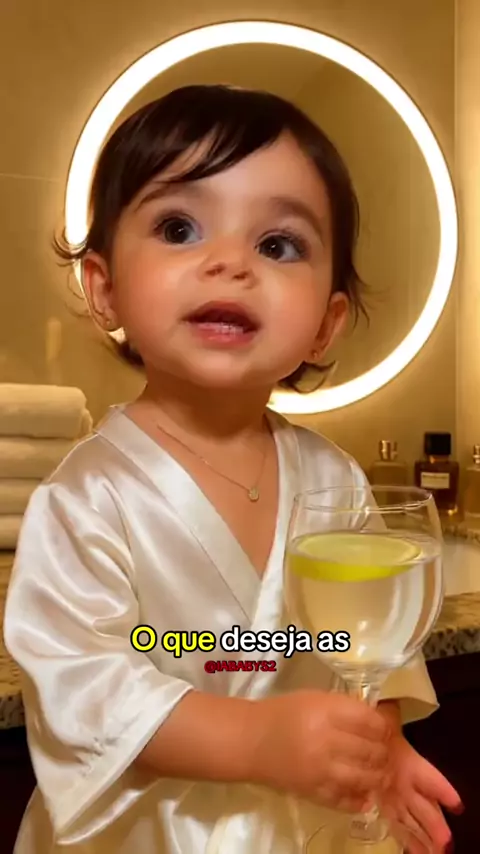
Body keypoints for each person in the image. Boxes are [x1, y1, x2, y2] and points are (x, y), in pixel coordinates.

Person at [4, 85, 462, 854]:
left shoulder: (334, 479)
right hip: (154, 833)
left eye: (278, 245)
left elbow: (372, 641)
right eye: (178, 228)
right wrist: (255, 741)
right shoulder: (87, 499)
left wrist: (379, 744)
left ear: (326, 324)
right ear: (104, 288)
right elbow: (84, 689)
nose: (229, 264)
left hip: (306, 827)